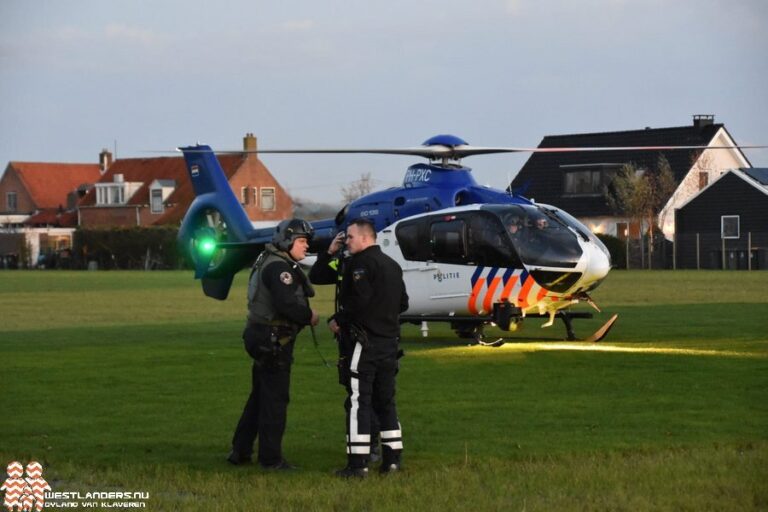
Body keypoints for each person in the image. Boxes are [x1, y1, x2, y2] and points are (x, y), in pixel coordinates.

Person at [309, 219, 409, 479]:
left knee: (358, 402)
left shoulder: (360, 264)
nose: (347, 241)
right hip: (390, 344)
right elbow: (403, 303)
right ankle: (393, 460)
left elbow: (360, 301)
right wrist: (330, 252)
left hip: (365, 344)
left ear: (365, 238)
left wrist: (338, 320)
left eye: (350, 237)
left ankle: (357, 464)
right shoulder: (393, 265)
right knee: (386, 402)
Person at [227, 218, 319, 470]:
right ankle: (271, 459)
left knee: (260, 396)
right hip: (273, 340)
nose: (306, 246)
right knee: (275, 400)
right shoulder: (281, 269)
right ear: (287, 241)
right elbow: (287, 305)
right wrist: (309, 316)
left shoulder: (267, 260)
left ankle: (240, 450)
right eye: (301, 241)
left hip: (259, 336)